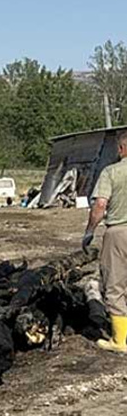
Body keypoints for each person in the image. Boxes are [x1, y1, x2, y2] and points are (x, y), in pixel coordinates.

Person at [83, 130, 127, 353]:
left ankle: (120, 341)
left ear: (121, 149)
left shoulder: (111, 172)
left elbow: (100, 205)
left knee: (115, 284)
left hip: (119, 232)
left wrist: (90, 231)